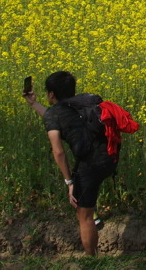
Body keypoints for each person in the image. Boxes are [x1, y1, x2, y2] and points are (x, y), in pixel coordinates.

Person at [24, 71, 116, 256]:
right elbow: (55, 118)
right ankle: (91, 210)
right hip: (110, 155)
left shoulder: (55, 113)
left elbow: (58, 152)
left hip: (91, 166)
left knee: (84, 215)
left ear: (51, 94)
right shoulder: (85, 101)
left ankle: (92, 260)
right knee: (86, 199)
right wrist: (34, 103)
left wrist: (69, 183)